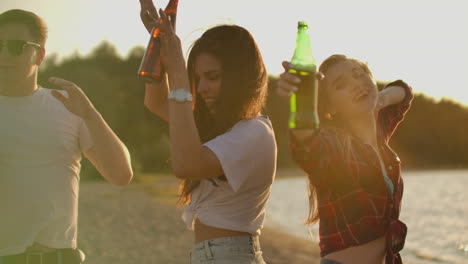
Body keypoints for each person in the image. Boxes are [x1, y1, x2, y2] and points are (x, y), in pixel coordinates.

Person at [138, 1, 277, 263]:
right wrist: (158, 44)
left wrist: (178, 70)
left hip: (231, 255)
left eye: (212, 77)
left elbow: (186, 165)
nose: (201, 88)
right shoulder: (214, 130)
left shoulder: (255, 133)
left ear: (239, 77)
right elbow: (155, 102)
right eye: (197, 78)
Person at [0, 9, 133, 264]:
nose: (4, 54)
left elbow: (121, 175)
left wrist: (91, 115)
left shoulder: (67, 106)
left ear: (39, 55)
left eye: (16, 46)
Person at [277, 54, 414, 264]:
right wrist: (302, 98)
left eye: (359, 75)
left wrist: (381, 99)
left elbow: (404, 92)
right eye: (341, 85)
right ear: (330, 107)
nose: (356, 85)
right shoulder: (335, 146)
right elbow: (305, 146)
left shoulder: (380, 137)